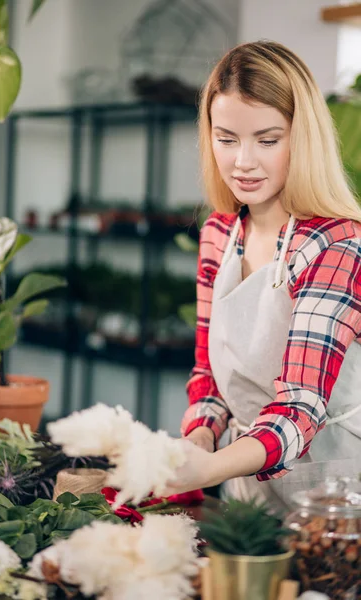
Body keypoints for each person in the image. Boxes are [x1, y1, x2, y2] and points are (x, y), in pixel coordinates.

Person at [163, 40, 361, 508]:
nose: (242, 162)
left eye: (267, 140)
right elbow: (209, 375)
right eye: (226, 138)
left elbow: (299, 408)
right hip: (248, 488)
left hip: (339, 495)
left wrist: (210, 466)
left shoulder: (337, 245)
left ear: (303, 137)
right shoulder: (220, 233)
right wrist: (199, 439)